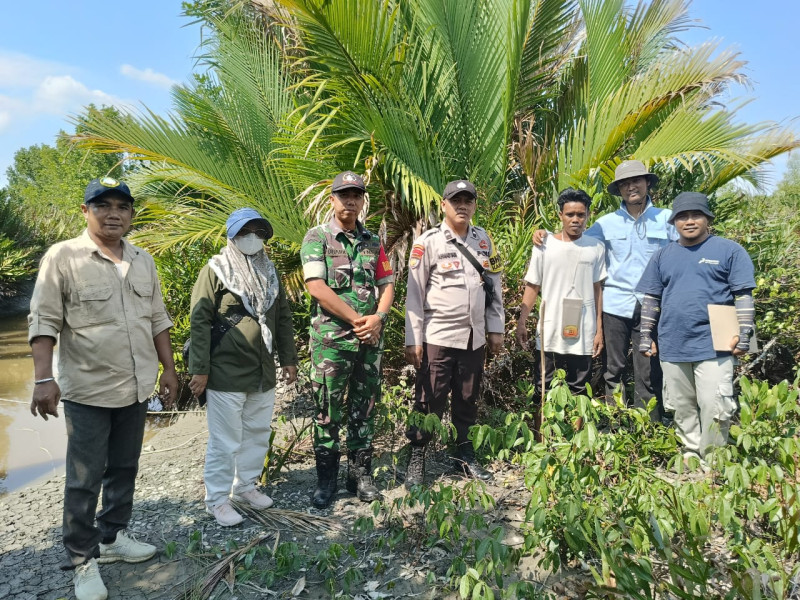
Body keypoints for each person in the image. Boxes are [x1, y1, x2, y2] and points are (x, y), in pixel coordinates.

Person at [28, 177, 178, 600]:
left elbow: (157, 318)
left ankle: (112, 537)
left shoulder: (143, 260)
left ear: (131, 214)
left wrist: (169, 370)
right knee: (84, 477)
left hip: (136, 386)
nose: (114, 213)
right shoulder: (62, 257)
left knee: (124, 467)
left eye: (122, 206)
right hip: (88, 390)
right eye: (103, 205)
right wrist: (43, 379)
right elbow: (44, 320)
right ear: (85, 211)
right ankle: (82, 559)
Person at [533, 160, 677, 420]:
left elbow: (683, 252)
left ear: (647, 183)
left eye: (636, 181)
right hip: (614, 305)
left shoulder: (667, 219)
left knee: (649, 369)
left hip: (652, 305)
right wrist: (543, 234)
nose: (631, 187)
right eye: (624, 183)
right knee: (614, 369)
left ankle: (648, 427)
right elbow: (575, 240)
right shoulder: (605, 224)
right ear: (618, 189)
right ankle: (616, 424)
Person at [188, 208, 298, 527]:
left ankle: (246, 486)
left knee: (257, 432)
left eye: (258, 232)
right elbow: (199, 320)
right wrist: (200, 369)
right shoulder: (216, 270)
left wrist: (289, 359)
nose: (252, 237)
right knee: (225, 440)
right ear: (232, 235)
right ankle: (217, 500)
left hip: (262, 369)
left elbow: (283, 318)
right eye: (245, 231)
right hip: (225, 371)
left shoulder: (269, 272)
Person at [300, 171, 395, 508]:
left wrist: (378, 318)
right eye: (344, 195)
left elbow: (387, 283)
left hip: (369, 342)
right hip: (332, 343)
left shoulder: (373, 241)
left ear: (362, 200)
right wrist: (358, 320)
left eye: (356, 195)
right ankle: (326, 480)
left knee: (364, 408)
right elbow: (316, 287)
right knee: (327, 410)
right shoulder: (317, 238)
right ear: (332, 200)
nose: (350, 201)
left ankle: (360, 475)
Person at [636, 192, 755, 461]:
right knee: (681, 405)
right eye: (682, 217)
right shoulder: (662, 256)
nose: (689, 221)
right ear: (674, 222)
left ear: (707, 219)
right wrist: (645, 335)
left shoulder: (729, 251)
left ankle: (713, 459)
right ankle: (690, 454)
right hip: (673, 341)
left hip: (717, 343)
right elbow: (651, 298)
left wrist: (745, 334)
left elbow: (743, 295)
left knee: (715, 404)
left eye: (695, 215)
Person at [403, 179, 504, 488]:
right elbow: (414, 295)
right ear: (444, 205)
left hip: (474, 337)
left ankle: (464, 455)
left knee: (468, 398)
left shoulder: (484, 241)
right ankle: (417, 456)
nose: (462, 206)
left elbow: (495, 287)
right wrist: (413, 339)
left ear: (474, 205)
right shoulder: (428, 242)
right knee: (429, 398)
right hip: (438, 336)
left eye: (468, 200)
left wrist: (496, 328)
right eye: (456, 200)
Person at [516, 188, 606, 395]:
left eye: (581, 214)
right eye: (570, 214)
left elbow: (597, 289)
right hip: (550, 329)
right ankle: (542, 419)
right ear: (560, 216)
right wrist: (522, 321)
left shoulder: (596, 247)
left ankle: (577, 419)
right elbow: (533, 285)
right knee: (543, 387)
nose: (575, 220)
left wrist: (599, 330)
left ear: (588, 215)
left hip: (583, 329)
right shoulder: (544, 244)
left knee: (579, 389)